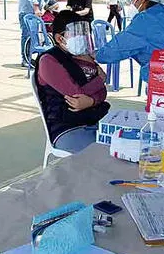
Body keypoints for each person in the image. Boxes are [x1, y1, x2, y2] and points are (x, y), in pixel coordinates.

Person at [35, 10, 110, 153]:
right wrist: (99, 79)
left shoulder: (81, 57)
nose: (81, 37)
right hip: (66, 128)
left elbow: (103, 91)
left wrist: (92, 100)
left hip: (92, 119)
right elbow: (78, 95)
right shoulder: (49, 61)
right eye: (76, 33)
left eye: (83, 33)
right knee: (104, 154)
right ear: (59, 38)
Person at [19, 0, 57, 66]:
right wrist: (36, 8)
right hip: (26, 11)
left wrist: (52, 5)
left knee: (35, 35)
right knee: (27, 34)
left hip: (36, 13)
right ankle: (25, 58)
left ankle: (32, 56)